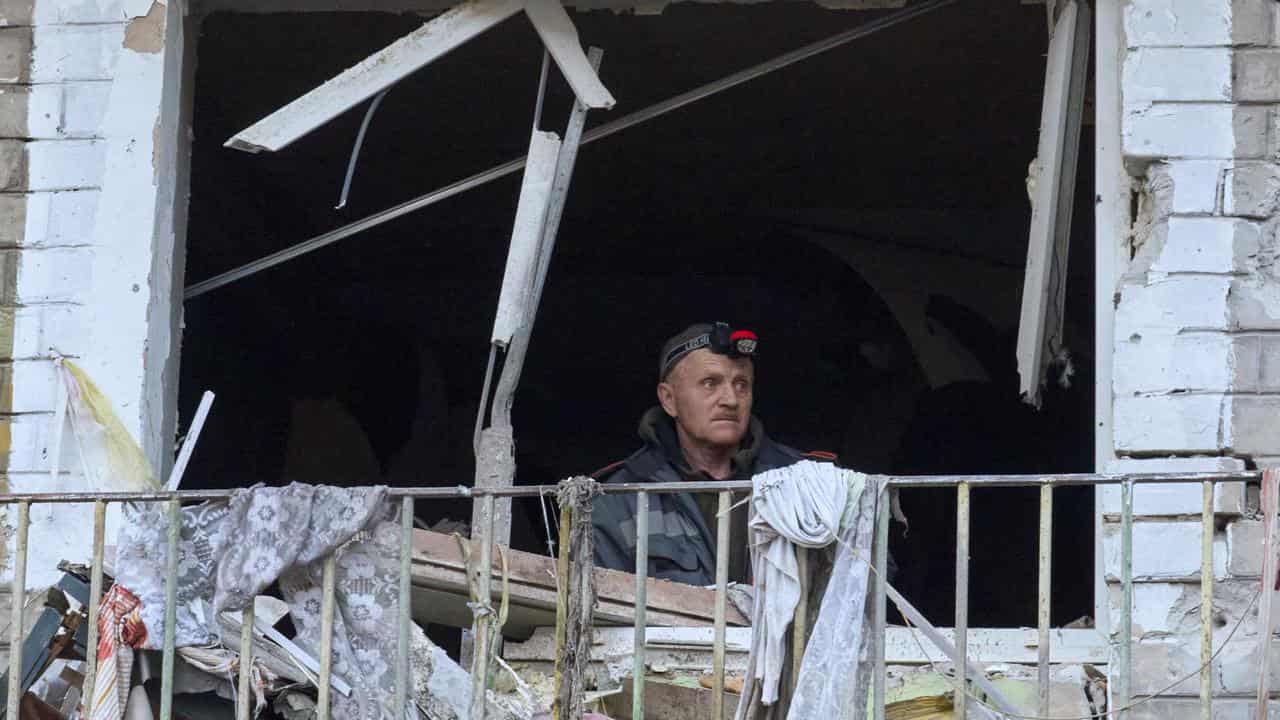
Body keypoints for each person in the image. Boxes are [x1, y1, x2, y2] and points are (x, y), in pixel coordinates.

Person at [591, 322, 814, 586]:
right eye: (710, 383)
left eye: (741, 385)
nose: (731, 399)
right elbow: (602, 612)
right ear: (669, 399)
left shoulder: (806, 483)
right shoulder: (620, 498)